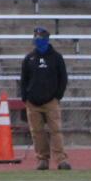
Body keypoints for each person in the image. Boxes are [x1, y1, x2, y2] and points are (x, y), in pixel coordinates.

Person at [20, 27, 70, 171]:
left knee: (56, 131)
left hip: (51, 101)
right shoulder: (29, 58)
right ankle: (42, 160)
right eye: (36, 37)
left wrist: (57, 96)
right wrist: (25, 97)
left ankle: (61, 160)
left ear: (46, 39)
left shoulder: (56, 57)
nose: (37, 39)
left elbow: (63, 78)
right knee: (37, 133)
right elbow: (24, 79)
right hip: (33, 102)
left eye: (40, 37)